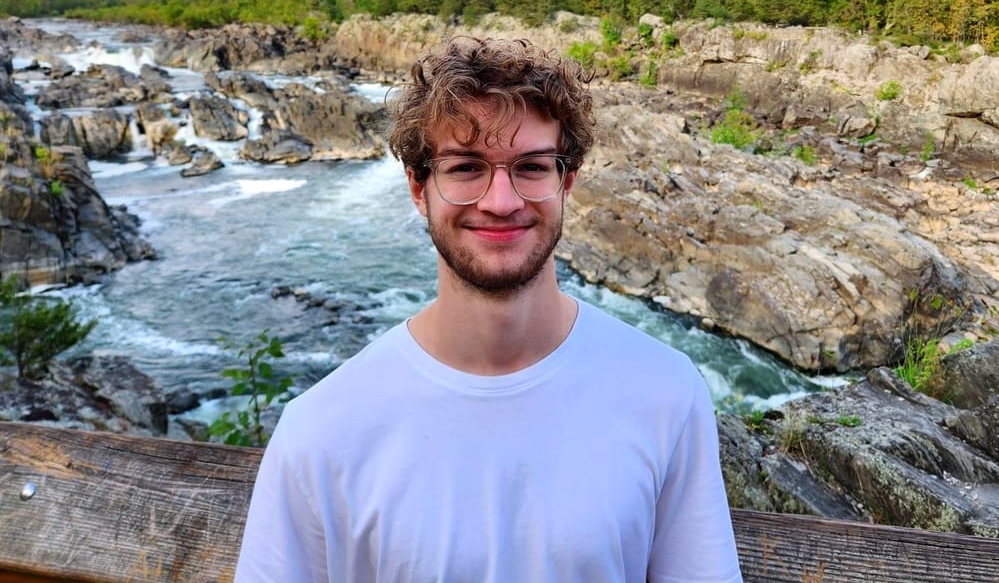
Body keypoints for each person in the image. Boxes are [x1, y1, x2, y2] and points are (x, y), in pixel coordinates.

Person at [234, 36, 742, 583]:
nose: (501, 201)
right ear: (417, 186)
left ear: (565, 182)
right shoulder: (320, 432)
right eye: (465, 168)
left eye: (530, 167)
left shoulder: (666, 393)